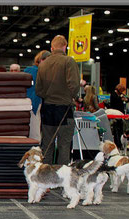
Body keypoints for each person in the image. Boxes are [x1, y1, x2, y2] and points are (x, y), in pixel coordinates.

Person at [35, 35, 80, 165]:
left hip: (48, 108)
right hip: (65, 109)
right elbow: (74, 85)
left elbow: (39, 90)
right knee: (64, 145)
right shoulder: (69, 61)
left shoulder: (43, 65)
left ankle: (45, 178)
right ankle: (61, 179)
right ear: (65, 46)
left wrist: (48, 96)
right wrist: (70, 96)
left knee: (47, 145)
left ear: (52, 48)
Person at [24, 50, 51, 141]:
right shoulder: (39, 72)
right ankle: (35, 153)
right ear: (42, 60)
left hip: (26, 104)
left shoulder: (28, 70)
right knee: (35, 135)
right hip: (34, 105)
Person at [109, 83, 129, 148]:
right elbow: (115, 102)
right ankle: (117, 143)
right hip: (115, 113)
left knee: (120, 128)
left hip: (120, 113)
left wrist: (125, 99)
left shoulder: (120, 95)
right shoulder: (113, 94)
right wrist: (121, 99)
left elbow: (127, 99)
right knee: (115, 129)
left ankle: (120, 143)